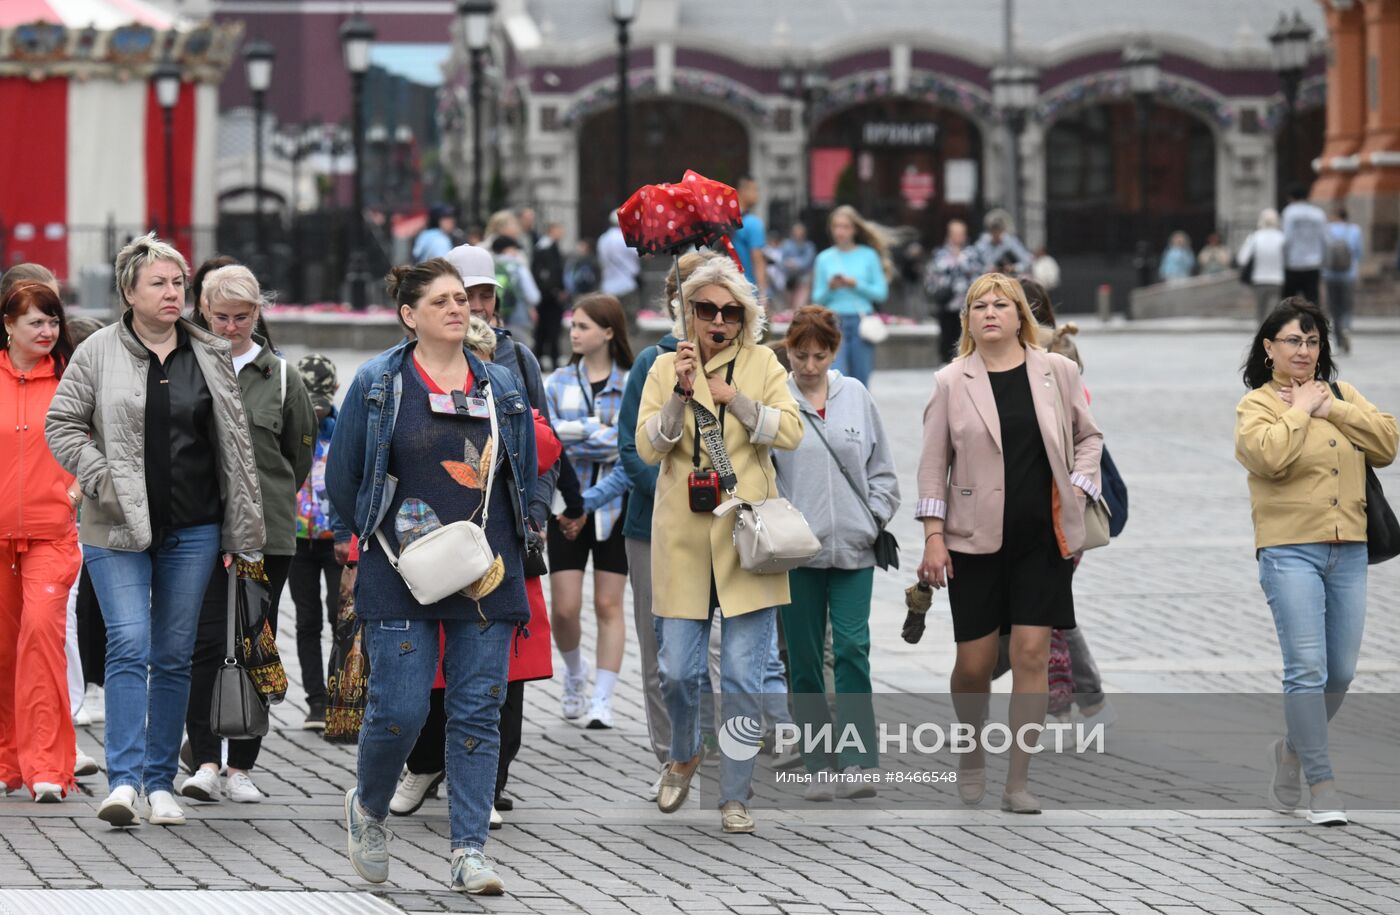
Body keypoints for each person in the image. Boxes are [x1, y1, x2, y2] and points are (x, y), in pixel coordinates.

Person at [327, 257, 538, 895]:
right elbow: (346, 475)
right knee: (401, 708)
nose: (457, 308)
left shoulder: (500, 383)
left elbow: (522, 471)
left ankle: (469, 850)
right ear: (409, 315)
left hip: (486, 568)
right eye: (441, 300)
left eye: (462, 299)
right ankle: (368, 807)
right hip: (401, 568)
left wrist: (531, 532)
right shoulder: (377, 382)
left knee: (478, 711)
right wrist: (352, 539)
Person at [45, 233, 265, 828]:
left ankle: (158, 781)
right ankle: (121, 782)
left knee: (171, 655)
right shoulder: (96, 354)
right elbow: (61, 423)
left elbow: (235, 447)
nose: (173, 293)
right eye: (159, 284)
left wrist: (239, 531)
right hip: (113, 527)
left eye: (178, 283)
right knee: (130, 644)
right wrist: (100, 478)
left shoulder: (210, 353)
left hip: (193, 527)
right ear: (128, 292)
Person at [916, 272, 1102, 815]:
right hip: (972, 541)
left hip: (1042, 539)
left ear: (1021, 315)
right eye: (980, 306)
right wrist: (933, 537)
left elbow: (1089, 436)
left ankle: (1018, 780)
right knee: (974, 665)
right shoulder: (951, 381)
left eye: (1001, 304)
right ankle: (972, 750)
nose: (990, 312)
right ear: (968, 319)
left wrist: (1080, 483)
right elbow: (932, 468)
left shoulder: (1058, 372)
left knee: (1030, 654)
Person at [389, 244, 560, 834]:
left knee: (498, 673)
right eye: (465, 294)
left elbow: (542, 448)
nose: (475, 306)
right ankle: (421, 764)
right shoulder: (396, 371)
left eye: (483, 295)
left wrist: (535, 511)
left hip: (500, 541)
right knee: (429, 673)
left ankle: (486, 783)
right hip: (430, 539)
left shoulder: (515, 364)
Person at [637, 255, 803, 834]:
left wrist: (733, 397)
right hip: (683, 539)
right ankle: (683, 753)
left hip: (747, 538)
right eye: (705, 309)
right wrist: (682, 394)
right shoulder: (665, 368)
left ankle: (735, 793)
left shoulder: (763, 364)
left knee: (740, 676)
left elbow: (791, 431)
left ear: (744, 318)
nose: (717, 320)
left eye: (730, 312)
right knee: (678, 672)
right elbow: (648, 449)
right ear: (686, 313)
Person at [1234, 297, 1396, 827]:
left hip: (1348, 546)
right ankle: (1322, 783)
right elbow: (1268, 457)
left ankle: (1292, 748)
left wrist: (1331, 407)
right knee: (1306, 670)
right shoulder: (1256, 405)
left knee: (1341, 673)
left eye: (1312, 341)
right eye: (1292, 341)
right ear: (1269, 348)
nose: (1303, 350)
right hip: (1288, 550)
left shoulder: (1341, 394)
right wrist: (1301, 410)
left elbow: (1387, 442)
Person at [180, 265, 316, 805]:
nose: (232, 327)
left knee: (253, 641)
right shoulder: (186, 365)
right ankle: (205, 759)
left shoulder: (280, 376)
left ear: (258, 313)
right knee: (206, 643)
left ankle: (242, 766)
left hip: (267, 533)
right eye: (221, 316)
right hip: (201, 527)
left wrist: (263, 506)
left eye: (242, 316)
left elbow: (296, 457)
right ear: (204, 313)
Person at [773, 306, 899, 799]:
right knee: (803, 659)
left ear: (834, 351)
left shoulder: (857, 397)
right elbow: (760, 471)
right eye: (800, 354)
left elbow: (883, 468)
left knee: (851, 648)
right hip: (797, 551)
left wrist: (875, 514)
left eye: (819, 355)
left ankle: (858, 759)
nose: (808, 365)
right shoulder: (775, 399)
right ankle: (817, 760)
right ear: (787, 349)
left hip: (855, 546)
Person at [617, 252, 715, 798]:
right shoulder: (653, 364)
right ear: (677, 304)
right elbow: (632, 453)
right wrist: (676, 496)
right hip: (654, 528)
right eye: (696, 299)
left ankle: (719, 752)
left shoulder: (740, 364)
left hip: (724, 527)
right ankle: (671, 755)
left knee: (719, 655)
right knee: (662, 653)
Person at [0, 280, 82, 802]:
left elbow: (104, 441)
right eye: (36, 321)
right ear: (8, 326)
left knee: (39, 637)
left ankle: (49, 766)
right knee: (6, 649)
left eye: (53, 321)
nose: (48, 331)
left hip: (53, 535)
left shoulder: (72, 381)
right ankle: (9, 762)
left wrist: (79, 489)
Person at [544, 294, 634, 728]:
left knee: (607, 604)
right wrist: (594, 433)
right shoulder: (557, 381)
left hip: (615, 508)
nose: (574, 333)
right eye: (573, 326)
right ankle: (575, 674)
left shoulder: (632, 382)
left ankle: (603, 699)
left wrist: (575, 434)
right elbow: (548, 440)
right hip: (564, 507)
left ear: (609, 332)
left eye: (582, 326)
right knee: (563, 608)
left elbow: (628, 447)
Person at [289, 353, 351, 730]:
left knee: (339, 616)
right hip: (296, 539)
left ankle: (341, 697)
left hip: (335, 540)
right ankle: (315, 701)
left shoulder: (344, 430)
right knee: (307, 619)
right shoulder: (289, 428)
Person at [812, 205, 891, 388]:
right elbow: (817, 298)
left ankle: (860, 415)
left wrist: (855, 284)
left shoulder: (868, 256)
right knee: (836, 378)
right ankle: (840, 416)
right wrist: (831, 287)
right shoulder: (824, 258)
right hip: (833, 322)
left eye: (845, 226)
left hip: (861, 322)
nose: (840, 231)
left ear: (854, 229)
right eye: (836, 226)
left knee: (860, 380)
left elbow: (881, 293)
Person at [925, 219, 985, 364]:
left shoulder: (973, 254)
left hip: (967, 304)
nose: (958, 237)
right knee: (947, 337)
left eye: (961, 234)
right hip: (946, 304)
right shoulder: (940, 254)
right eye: (955, 233)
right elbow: (931, 276)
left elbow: (980, 275)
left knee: (966, 336)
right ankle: (947, 365)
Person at [1323, 207, 1363, 354]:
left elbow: (1324, 251)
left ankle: (1339, 339)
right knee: (1347, 306)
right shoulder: (1355, 230)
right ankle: (1346, 328)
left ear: (1335, 215)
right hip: (1349, 274)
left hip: (1330, 274)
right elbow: (1359, 253)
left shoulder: (1327, 230)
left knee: (1334, 308)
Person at [1238, 209, 1287, 323]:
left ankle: (1261, 336)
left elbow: (1242, 259)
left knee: (1261, 312)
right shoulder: (1282, 237)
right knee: (1276, 313)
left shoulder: (1255, 237)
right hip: (1278, 280)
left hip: (1259, 279)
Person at [531, 221, 568, 371]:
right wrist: (556, 290)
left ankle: (542, 359)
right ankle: (550, 359)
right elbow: (550, 273)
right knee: (550, 330)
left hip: (547, 296)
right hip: (549, 297)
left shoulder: (546, 246)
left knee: (544, 330)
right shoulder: (547, 248)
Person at [1282, 185, 1328, 304]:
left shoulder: (1289, 212)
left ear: (1291, 197)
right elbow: (1325, 239)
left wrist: (1284, 259)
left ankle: (1291, 323)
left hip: (1293, 264)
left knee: (1289, 304)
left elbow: (1287, 239)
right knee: (1312, 302)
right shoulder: (1318, 213)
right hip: (1313, 263)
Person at [730, 176, 768, 300]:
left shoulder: (723, 221)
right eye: (754, 190)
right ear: (742, 191)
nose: (757, 195)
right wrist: (762, 295)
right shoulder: (753, 223)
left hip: (726, 286)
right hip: (748, 290)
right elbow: (758, 260)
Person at [598, 211, 641, 314]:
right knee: (629, 320)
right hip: (627, 284)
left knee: (611, 320)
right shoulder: (626, 238)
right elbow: (641, 254)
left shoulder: (602, 239)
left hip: (607, 286)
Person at [779, 223, 817, 310]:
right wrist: (790, 264)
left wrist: (795, 263)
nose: (798, 234)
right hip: (789, 276)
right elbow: (781, 261)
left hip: (804, 277)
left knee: (800, 303)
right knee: (789, 302)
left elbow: (807, 262)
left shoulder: (809, 246)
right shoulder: (787, 244)